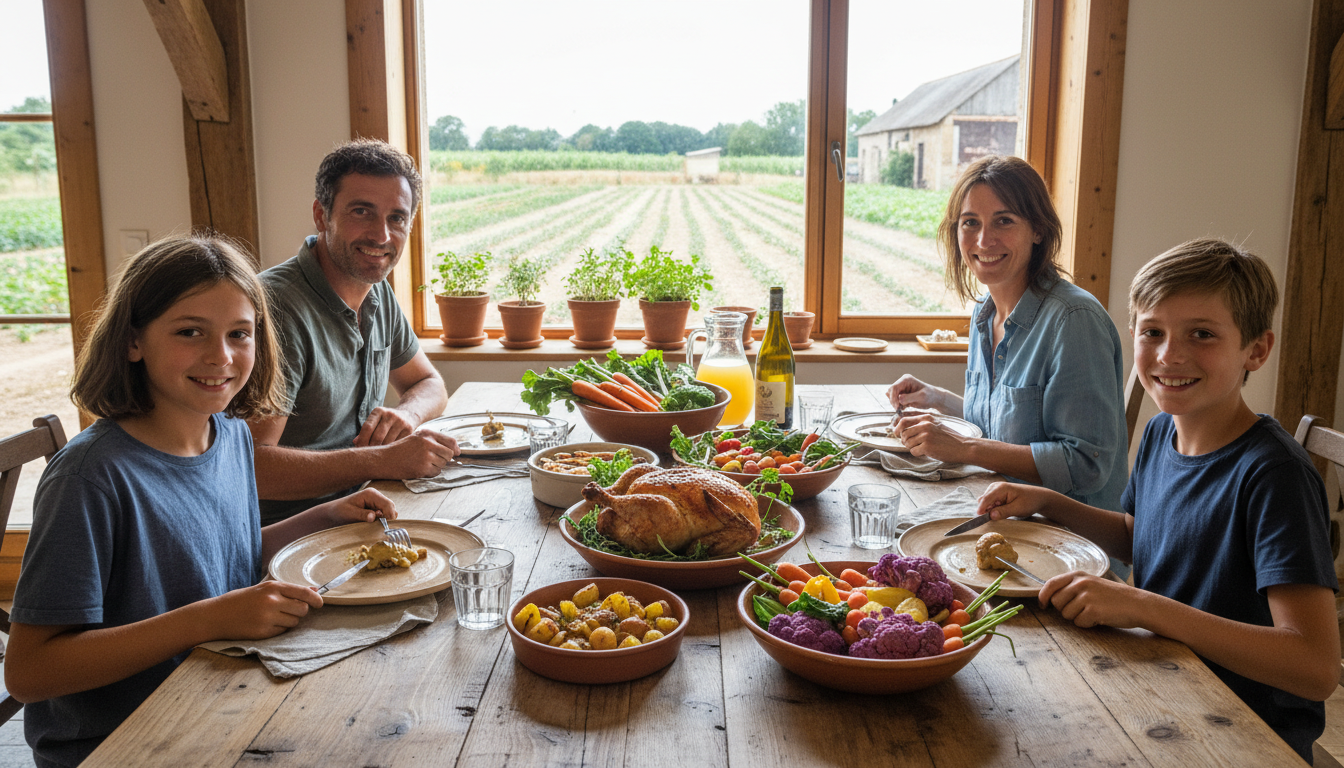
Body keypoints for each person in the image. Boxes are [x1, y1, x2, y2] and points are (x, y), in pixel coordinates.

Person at [5, 235, 402, 768]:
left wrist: (325, 515)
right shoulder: (90, 477)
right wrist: (207, 620)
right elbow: (30, 673)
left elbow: (218, 556)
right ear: (132, 341)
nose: (221, 356)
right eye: (190, 332)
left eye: (240, 334)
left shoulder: (230, 435)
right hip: (120, 744)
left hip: (217, 696)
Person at [973, 239, 1339, 762]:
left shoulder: (1273, 474)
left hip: (1245, 732)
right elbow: (1137, 533)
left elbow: (1315, 667)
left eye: (1203, 334)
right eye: (1153, 332)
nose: (1170, 354)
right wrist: (1050, 503)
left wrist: (1144, 606)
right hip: (1165, 686)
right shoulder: (1164, 431)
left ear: (1256, 350)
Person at [887, 155, 1127, 511]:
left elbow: (1087, 465)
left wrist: (963, 448)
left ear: (1038, 230)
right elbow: (999, 426)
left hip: (1066, 541)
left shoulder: (1074, 321)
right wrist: (936, 397)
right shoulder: (985, 315)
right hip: (999, 515)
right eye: (971, 222)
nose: (984, 240)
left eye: (1004, 221)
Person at [250, 139, 456, 525]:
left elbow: (429, 383)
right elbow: (253, 468)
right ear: (320, 214)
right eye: (362, 212)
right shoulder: (274, 309)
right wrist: (382, 459)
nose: (381, 235)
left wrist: (407, 416)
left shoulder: (377, 291)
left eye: (397, 217)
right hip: (285, 535)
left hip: (366, 507)